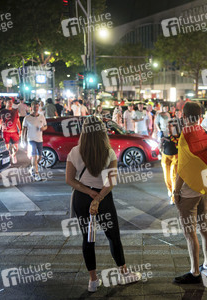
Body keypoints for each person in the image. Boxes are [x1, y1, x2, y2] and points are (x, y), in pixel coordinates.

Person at [66, 116, 141, 293]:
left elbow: (69, 180)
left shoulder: (75, 152)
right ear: (102, 132)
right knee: (113, 236)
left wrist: (88, 192)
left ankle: (93, 280)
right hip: (103, 197)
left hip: (82, 197)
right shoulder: (109, 152)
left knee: (88, 238)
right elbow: (111, 182)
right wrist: (98, 197)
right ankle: (123, 273)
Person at [173, 102, 207, 284]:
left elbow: (182, 168)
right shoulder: (203, 133)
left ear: (185, 116)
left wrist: (176, 190)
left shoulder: (185, 136)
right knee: (204, 228)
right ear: (200, 116)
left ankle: (195, 272)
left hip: (188, 191)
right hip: (203, 188)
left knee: (190, 233)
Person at [22, 101, 47, 181]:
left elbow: (45, 126)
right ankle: (36, 173)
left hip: (39, 139)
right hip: (31, 139)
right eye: (34, 107)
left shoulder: (42, 117)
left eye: (37, 107)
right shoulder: (27, 118)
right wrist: (23, 140)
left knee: (39, 157)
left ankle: (32, 169)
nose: (36, 109)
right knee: (34, 156)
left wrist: (43, 128)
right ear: (31, 108)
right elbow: (24, 129)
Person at [161, 119, 180, 204]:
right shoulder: (163, 133)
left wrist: (170, 138)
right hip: (165, 156)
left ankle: (173, 197)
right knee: (166, 177)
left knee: (173, 177)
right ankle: (170, 189)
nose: (168, 128)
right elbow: (160, 145)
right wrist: (161, 143)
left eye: (170, 126)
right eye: (167, 126)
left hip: (175, 157)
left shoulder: (178, 134)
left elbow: (179, 144)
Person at [0, 98, 21, 164]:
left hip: (14, 132)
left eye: (11, 102)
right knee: (6, 147)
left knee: (16, 147)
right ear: (5, 103)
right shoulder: (2, 112)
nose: (10, 104)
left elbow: (18, 121)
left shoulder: (15, 111)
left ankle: (13, 155)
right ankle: (8, 157)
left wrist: (20, 129)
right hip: (5, 132)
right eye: (9, 102)